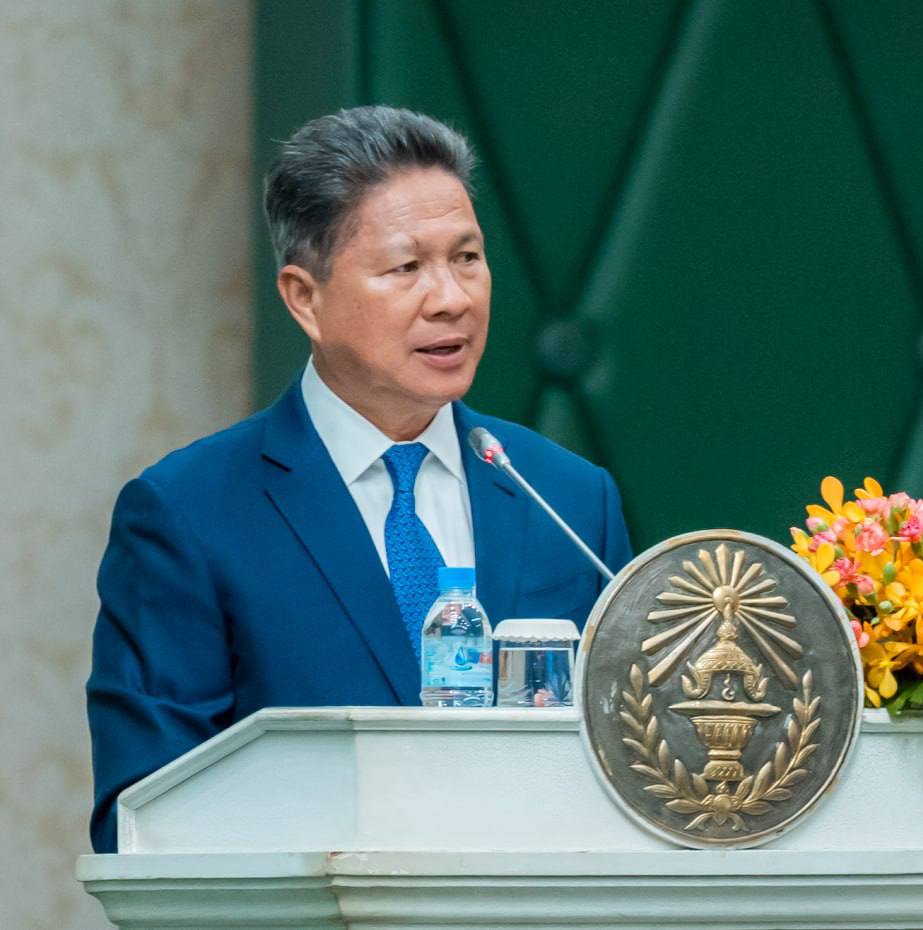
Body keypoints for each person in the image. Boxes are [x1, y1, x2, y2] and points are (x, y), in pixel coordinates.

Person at [85, 106, 632, 854]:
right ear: (304, 298)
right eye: (407, 268)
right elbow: (143, 823)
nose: (452, 298)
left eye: (467, 258)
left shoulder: (568, 498)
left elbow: (629, 777)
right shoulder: (189, 515)